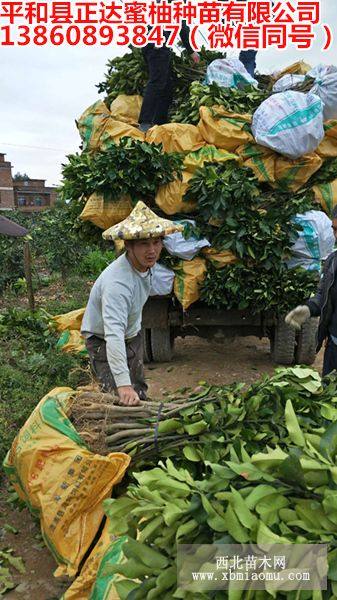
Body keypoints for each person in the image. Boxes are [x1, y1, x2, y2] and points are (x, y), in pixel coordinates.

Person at [81, 201, 183, 406]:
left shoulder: (147, 266)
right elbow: (113, 334)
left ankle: (144, 413)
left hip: (132, 334)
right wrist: (123, 385)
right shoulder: (117, 283)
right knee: (117, 399)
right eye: (144, 243)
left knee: (138, 389)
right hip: (103, 340)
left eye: (156, 242)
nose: (152, 250)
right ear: (128, 245)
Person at [285, 206, 337, 376]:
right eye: (335, 229)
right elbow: (324, 295)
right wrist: (309, 308)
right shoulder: (333, 261)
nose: (336, 235)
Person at [138, 19, 200, 131]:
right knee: (157, 82)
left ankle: (159, 122)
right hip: (157, 45)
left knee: (167, 86)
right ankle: (145, 122)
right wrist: (191, 51)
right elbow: (183, 28)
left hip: (152, 44)